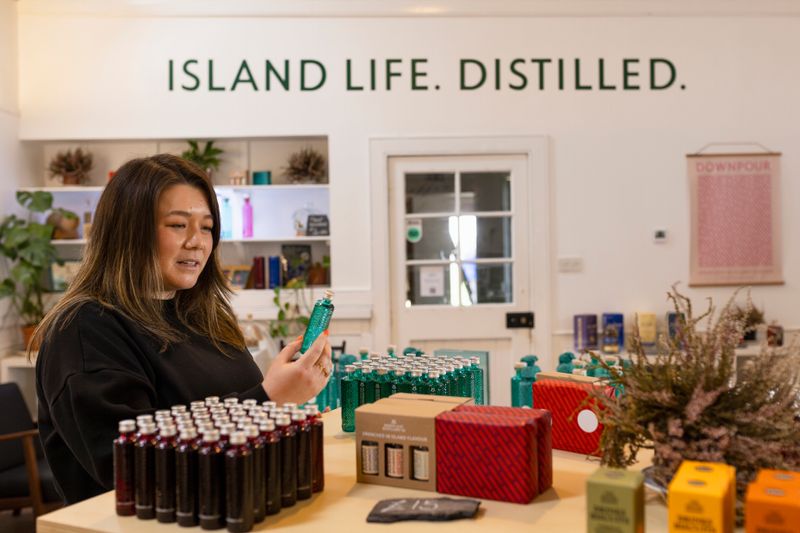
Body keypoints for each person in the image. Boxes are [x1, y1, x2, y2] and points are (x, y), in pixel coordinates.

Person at [33, 154, 332, 504]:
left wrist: (283, 414)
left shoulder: (203, 316)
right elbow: (130, 468)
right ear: (128, 231)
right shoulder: (84, 329)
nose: (197, 242)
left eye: (206, 227)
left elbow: (233, 420)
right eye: (178, 225)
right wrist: (268, 399)